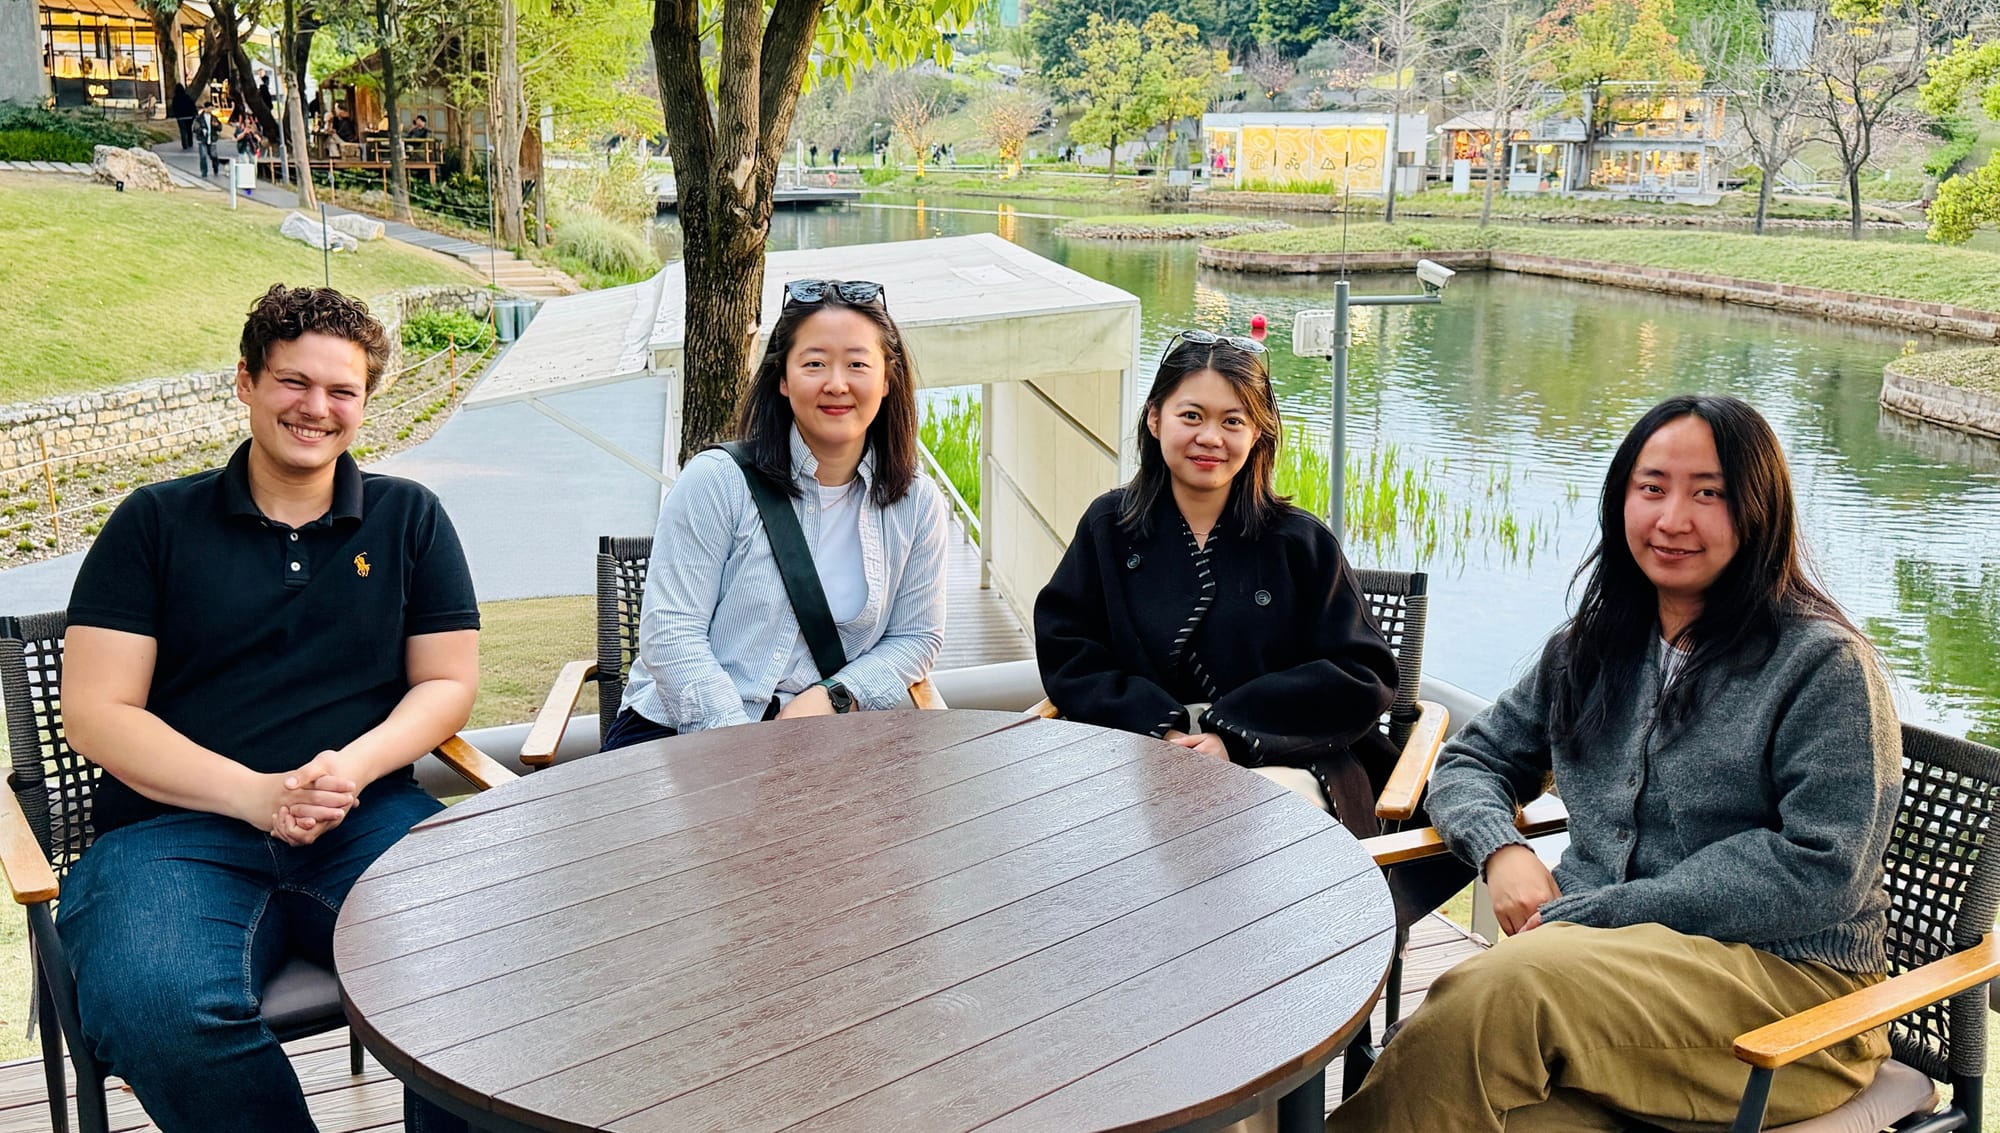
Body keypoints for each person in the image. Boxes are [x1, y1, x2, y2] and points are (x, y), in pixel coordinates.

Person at [1333, 394, 1900, 1132]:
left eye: (1709, 493)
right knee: (1473, 1093)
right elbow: (1474, 758)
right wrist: (1501, 850)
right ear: (1620, 499)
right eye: (1652, 487)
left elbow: (1823, 864)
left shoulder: (1822, 667)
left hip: (1789, 997)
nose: (1672, 519)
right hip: (1593, 977)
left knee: (1500, 994)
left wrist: (1604, 911)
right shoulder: (1595, 646)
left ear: (1760, 509)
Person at [58, 285, 482, 1133]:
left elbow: (446, 682)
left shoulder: (409, 518)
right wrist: (254, 794)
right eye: (294, 382)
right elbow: (97, 712)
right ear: (246, 381)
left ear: (365, 401)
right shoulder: (153, 523)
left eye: (342, 390)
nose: (316, 408)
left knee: (484, 970)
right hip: (170, 837)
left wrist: (352, 767)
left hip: (365, 816)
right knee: (161, 1011)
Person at [1034, 330, 1401, 831]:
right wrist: (1160, 731)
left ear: (1257, 434)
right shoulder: (1109, 526)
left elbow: (1363, 673)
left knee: (1252, 830)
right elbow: (1068, 646)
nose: (1211, 438)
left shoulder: (1301, 542)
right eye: (1192, 416)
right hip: (1138, 744)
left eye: (1232, 421)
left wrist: (1231, 736)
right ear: (1155, 417)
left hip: (1282, 755)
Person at [602, 279, 949, 750]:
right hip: (681, 733)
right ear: (782, 379)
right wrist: (740, 742)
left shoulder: (916, 503)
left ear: (887, 379)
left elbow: (915, 636)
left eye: (857, 364)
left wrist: (835, 698)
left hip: (819, 741)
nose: (836, 383)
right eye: (814, 363)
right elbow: (671, 633)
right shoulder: (717, 481)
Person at [194, 103, 222, 177]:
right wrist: (201, 130)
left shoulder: (214, 118)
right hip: (202, 140)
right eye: (209, 108)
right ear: (205, 108)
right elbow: (195, 128)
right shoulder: (199, 118)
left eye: (211, 108)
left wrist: (217, 126)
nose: (210, 110)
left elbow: (220, 127)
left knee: (213, 155)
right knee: (203, 156)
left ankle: (216, 167)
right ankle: (204, 172)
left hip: (212, 139)